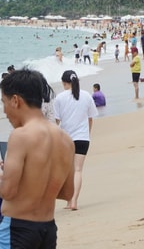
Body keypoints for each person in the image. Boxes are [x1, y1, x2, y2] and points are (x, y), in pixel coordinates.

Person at [0, 69, 75, 248]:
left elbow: (7, 191)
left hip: (17, 230)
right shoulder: (66, 140)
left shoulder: (20, 136)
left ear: (15, 100)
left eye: (4, 103)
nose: (5, 111)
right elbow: (68, 193)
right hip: (47, 230)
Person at [53, 70, 98, 210]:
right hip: (83, 138)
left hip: (66, 139)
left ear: (65, 83)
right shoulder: (86, 96)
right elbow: (90, 118)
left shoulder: (60, 98)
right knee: (78, 170)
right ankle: (74, 202)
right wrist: (87, 134)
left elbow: (56, 121)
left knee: (68, 171)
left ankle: (68, 201)